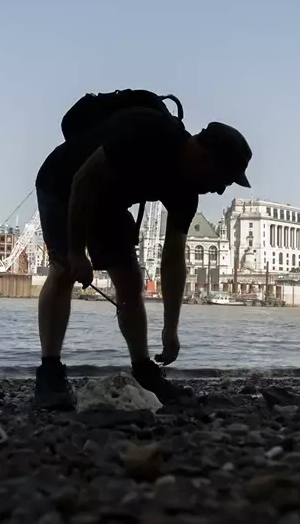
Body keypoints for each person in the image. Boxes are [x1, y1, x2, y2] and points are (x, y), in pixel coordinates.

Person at [32, 104, 252, 410]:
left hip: (109, 201)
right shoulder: (149, 132)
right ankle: (50, 373)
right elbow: (83, 180)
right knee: (64, 272)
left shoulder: (187, 192)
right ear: (207, 158)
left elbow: (173, 259)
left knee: (130, 277)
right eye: (224, 179)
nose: (220, 190)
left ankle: (144, 370)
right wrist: (75, 252)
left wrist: (170, 329)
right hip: (64, 183)